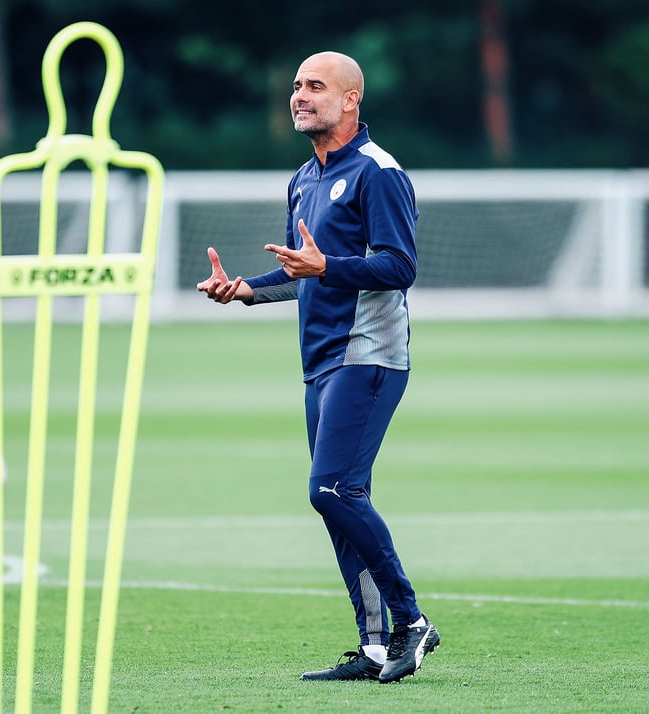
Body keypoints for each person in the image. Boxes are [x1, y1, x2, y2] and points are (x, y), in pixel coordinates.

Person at [197, 51, 438, 683]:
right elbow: (304, 270)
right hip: (320, 361)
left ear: (351, 99)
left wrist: (326, 267)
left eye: (316, 87)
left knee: (332, 489)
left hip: (369, 353)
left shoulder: (378, 173)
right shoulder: (304, 177)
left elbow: (399, 266)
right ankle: (378, 645)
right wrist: (248, 289)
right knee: (336, 503)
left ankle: (412, 622)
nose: (300, 96)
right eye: (297, 86)